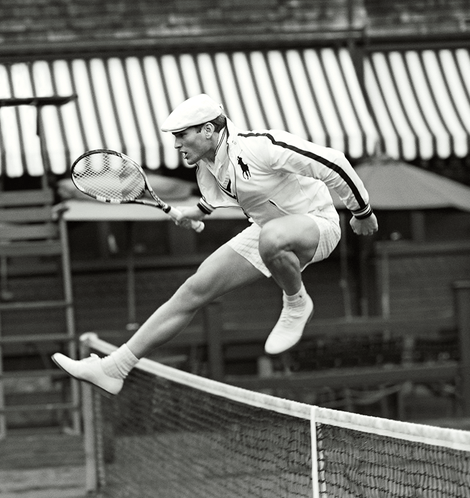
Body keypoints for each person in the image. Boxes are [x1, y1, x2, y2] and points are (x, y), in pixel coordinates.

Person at [52, 93, 379, 394]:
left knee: (272, 237)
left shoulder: (260, 146)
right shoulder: (207, 166)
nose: (177, 144)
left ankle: (296, 303)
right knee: (194, 289)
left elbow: (333, 162)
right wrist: (195, 213)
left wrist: (361, 210)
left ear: (208, 130)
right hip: (268, 230)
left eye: (182, 135)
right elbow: (220, 196)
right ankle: (116, 368)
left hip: (318, 225)